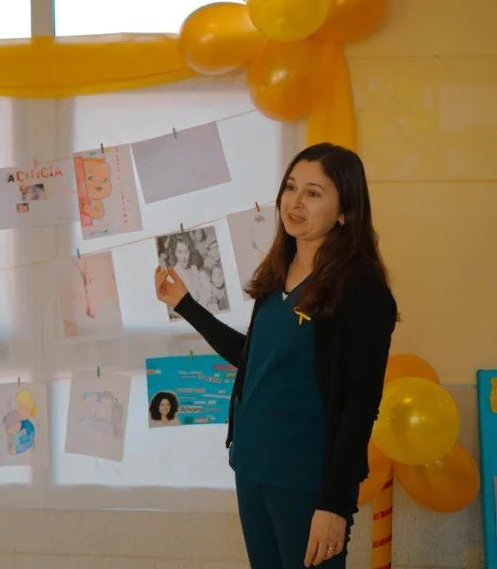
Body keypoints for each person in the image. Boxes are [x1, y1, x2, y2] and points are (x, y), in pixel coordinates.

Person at [155, 143, 397, 568]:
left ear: (345, 210)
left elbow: (360, 406)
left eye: (313, 193)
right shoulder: (276, 274)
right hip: (252, 466)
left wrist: (335, 504)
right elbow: (253, 359)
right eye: (290, 187)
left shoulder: (361, 287)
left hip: (306, 480)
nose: (295, 202)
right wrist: (186, 306)